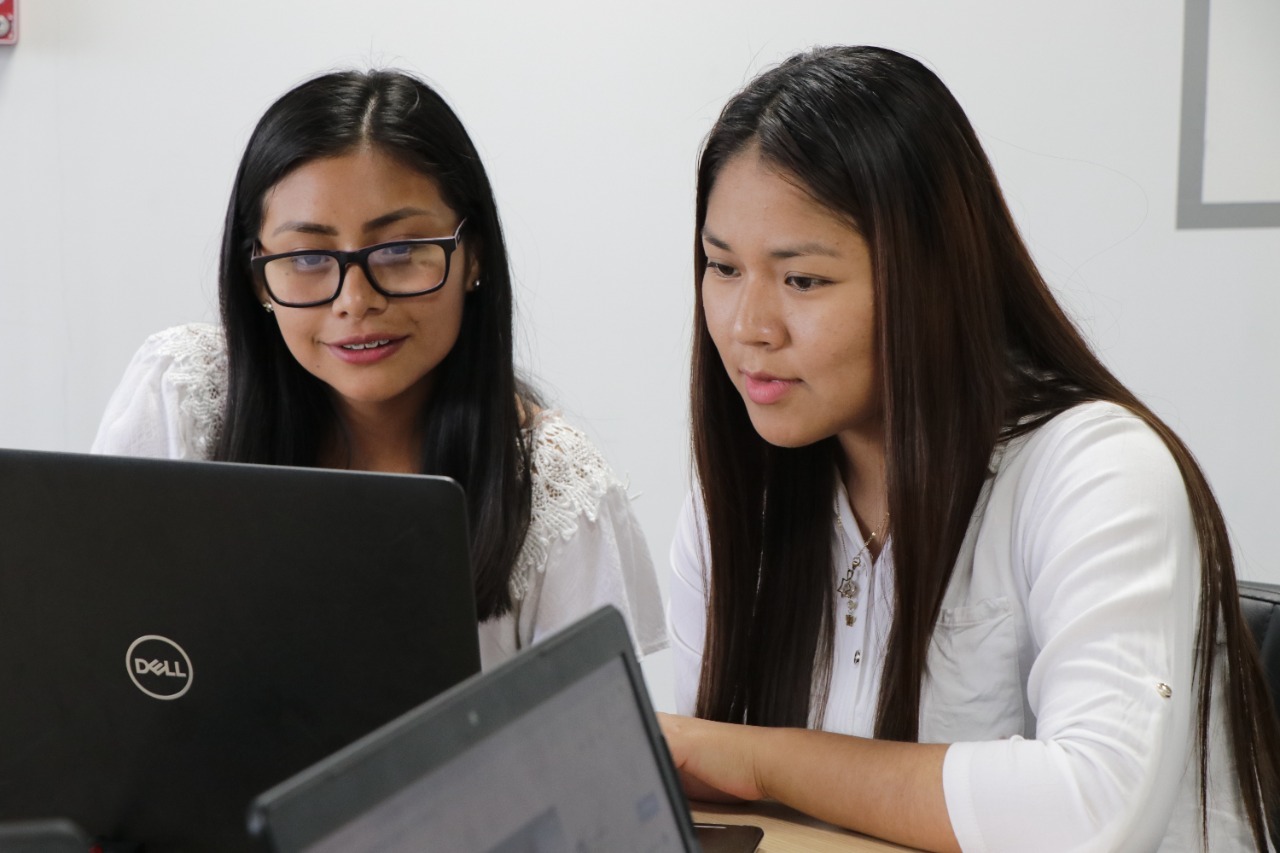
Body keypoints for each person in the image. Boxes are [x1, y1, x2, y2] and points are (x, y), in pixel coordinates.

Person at [660, 45, 1278, 852]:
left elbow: (1092, 810)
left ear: (931, 276)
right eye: (721, 266)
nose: (748, 326)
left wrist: (756, 759)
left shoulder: (1096, 469)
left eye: (802, 280)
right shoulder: (743, 497)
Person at [92, 69, 665, 669]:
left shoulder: (553, 492)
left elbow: (585, 750)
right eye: (308, 257)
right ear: (257, 277)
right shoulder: (182, 397)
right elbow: (90, 652)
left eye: (398, 251)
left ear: (475, 259)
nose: (354, 300)